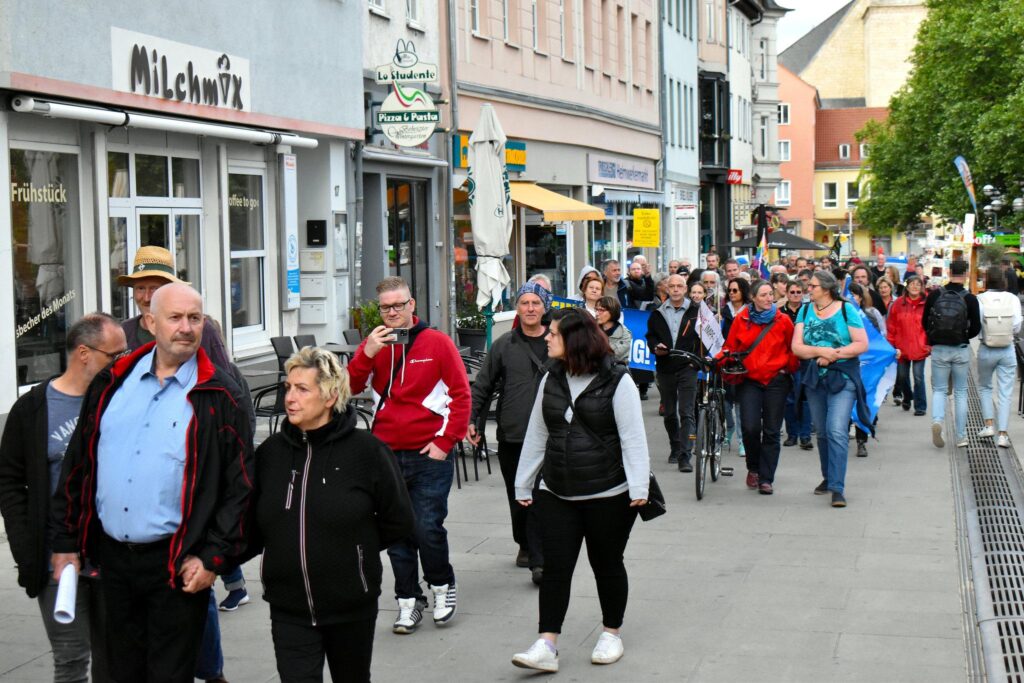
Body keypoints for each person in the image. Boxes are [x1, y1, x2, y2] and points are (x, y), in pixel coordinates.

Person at [50, 284, 254, 682]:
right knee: (116, 673)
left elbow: (240, 487)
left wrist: (213, 557)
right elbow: (78, 468)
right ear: (149, 322)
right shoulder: (112, 383)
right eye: (175, 318)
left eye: (194, 318)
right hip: (110, 564)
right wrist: (66, 542)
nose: (186, 328)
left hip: (175, 565)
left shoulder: (220, 395)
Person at [240, 346, 415, 683]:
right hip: (288, 606)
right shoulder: (271, 454)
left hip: (351, 606)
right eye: (288, 387)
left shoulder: (367, 452)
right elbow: (252, 525)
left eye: (302, 389)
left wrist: (355, 551)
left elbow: (399, 520)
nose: (290, 397)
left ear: (331, 395)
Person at [509, 308, 649, 672]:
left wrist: (639, 486)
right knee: (556, 567)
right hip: (557, 491)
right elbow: (538, 433)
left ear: (574, 340)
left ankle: (611, 632)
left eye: (553, 333)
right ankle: (546, 643)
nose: (547, 337)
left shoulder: (619, 381)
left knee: (606, 563)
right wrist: (524, 482)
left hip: (609, 493)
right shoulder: (550, 378)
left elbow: (633, 438)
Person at [0, 313, 124, 682]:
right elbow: (9, 482)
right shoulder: (33, 408)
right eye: (114, 355)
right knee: (70, 661)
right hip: (56, 559)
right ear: (84, 353)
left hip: (111, 554)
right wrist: (27, 550)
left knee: (116, 659)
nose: (122, 363)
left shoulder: (118, 402)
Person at [346, 276, 470, 634]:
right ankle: (408, 599)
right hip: (385, 454)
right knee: (396, 532)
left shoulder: (437, 342)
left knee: (426, 526)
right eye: (386, 307)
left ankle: (442, 584)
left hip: (428, 452)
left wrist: (445, 442)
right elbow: (351, 388)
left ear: (412, 304)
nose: (393, 313)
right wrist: (367, 352)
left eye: (399, 305)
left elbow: (461, 396)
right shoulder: (376, 343)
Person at [468, 283, 552, 586]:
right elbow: (483, 385)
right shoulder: (504, 345)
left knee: (542, 497)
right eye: (524, 303)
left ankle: (539, 559)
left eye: (535, 303)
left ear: (545, 307)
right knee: (518, 497)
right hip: (514, 434)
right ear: (517, 308)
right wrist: (472, 419)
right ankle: (525, 544)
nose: (530, 308)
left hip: (551, 436)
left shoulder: (557, 343)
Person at [791, 271, 870, 508]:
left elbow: (861, 343)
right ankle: (828, 476)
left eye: (812, 286)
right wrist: (820, 352)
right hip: (814, 379)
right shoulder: (805, 311)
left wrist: (834, 355)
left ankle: (838, 488)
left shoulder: (847, 310)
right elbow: (797, 347)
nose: (808, 289)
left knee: (836, 430)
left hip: (842, 377)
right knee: (823, 432)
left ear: (826, 288)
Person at [719, 281, 798, 494]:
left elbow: (793, 349)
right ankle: (753, 467)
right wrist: (717, 360)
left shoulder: (783, 321)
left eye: (770, 294)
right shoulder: (741, 319)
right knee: (750, 427)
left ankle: (766, 478)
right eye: (763, 295)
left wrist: (786, 370)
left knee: (772, 430)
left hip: (776, 381)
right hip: (750, 380)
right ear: (753, 298)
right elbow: (729, 347)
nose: (768, 298)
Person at [118, 246, 230, 369]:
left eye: (154, 289)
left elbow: (226, 381)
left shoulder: (200, 330)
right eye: (140, 288)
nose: (146, 298)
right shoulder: (123, 332)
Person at [922, 260, 980, 449]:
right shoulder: (970, 298)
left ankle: (937, 421)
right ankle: (961, 436)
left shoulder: (935, 295)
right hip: (960, 349)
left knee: (939, 389)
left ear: (948, 272)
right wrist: (963, 336)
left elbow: (924, 322)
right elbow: (976, 328)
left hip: (939, 348)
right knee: (961, 392)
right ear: (965, 274)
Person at [646, 274, 701, 472]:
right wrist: (655, 347)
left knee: (686, 412)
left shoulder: (697, 311)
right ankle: (675, 446)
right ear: (666, 289)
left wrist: (696, 362)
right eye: (672, 286)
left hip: (688, 367)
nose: (676, 289)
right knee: (669, 412)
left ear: (686, 289)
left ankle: (685, 455)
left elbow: (705, 338)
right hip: (665, 366)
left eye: (680, 286)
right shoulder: (657, 312)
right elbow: (650, 336)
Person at [976, 266, 1022, 448]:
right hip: (1007, 349)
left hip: (986, 348)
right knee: (1005, 392)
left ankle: (989, 425)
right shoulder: (1013, 299)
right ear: (1004, 280)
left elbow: (976, 325)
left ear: (987, 280)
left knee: (985, 387)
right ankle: (1002, 434)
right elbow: (1017, 326)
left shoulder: (980, 299)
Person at [848, 282, 886, 458]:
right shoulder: (838, 314)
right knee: (845, 403)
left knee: (862, 403)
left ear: (861, 297)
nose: (851, 298)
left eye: (854, 295)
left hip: (866, 366)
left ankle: (861, 441)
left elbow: (880, 339)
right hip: (844, 365)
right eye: (849, 294)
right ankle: (841, 436)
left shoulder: (871, 314)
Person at [887, 275, 930, 416]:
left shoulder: (927, 303)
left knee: (918, 377)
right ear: (907, 286)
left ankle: (920, 406)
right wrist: (892, 345)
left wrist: (929, 344)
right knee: (902, 376)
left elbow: (931, 326)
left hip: (920, 346)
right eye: (912, 284)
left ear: (922, 287)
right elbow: (891, 326)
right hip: (901, 347)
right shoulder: (898, 304)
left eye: (918, 284)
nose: (915, 286)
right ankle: (907, 396)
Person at [780, 281, 814, 450]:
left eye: (798, 292)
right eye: (792, 291)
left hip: (805, 359)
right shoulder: (779, 313)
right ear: (786, 293)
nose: (795, 294)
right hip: (786, 360)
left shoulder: (809, 310)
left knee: (805, 399)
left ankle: (805, 436)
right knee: (789, 399)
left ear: (803, 293)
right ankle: (792, 434)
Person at [596, 296, 632, 365]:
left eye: (601, 310)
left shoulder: (625, 334)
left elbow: (611, 356)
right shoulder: (590, 329)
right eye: (596, 310)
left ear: (612, 311)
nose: (597, 313)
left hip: (615, 372)